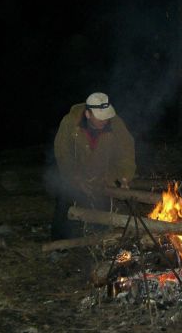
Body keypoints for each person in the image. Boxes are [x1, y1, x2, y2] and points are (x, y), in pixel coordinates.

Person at [51, 92, 136, 240]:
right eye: (101, 116)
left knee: (102, 211)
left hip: (102, 176)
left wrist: (123, 177)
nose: (105, 120)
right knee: (64, 199)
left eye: (107, 115)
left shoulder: (115, 124)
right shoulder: (70, 122)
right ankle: (59, 245)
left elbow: (126, 153)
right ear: (88, 114)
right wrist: (75, 178)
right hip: (76, 173)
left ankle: (100, 244)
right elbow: (63, 153)